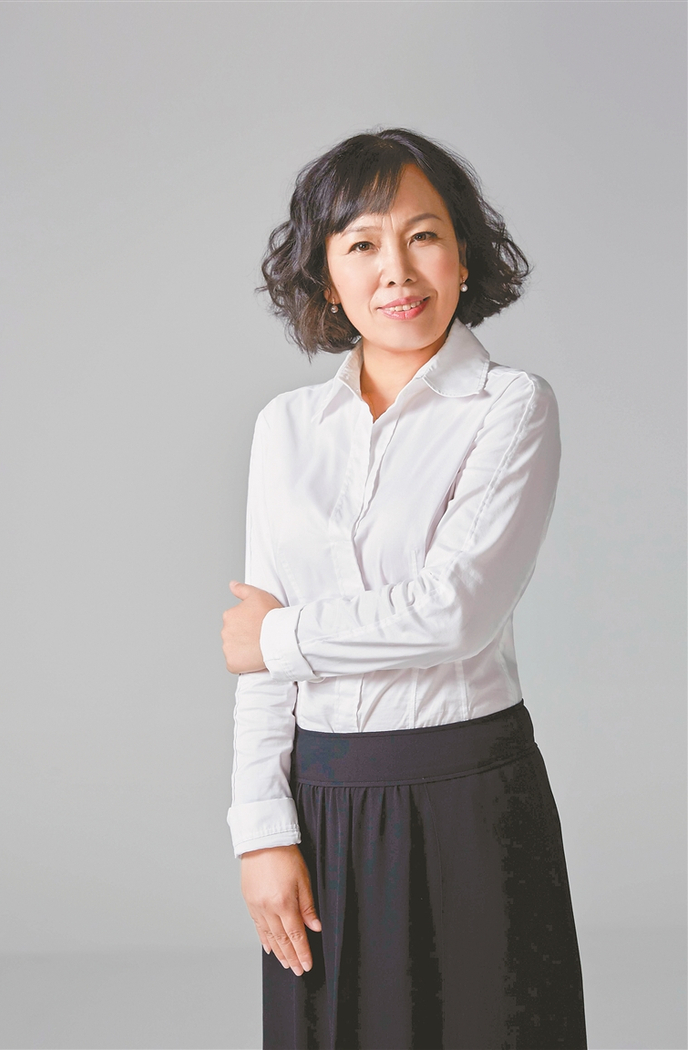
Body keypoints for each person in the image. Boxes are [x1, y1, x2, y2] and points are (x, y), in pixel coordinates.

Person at [221, 127, 587, 1050]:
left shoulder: (511, 407)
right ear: (326, 276)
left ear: (463, 253)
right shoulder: (285, 428)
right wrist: (259, 830)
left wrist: (281, 638)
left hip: (470, 798)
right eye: (361, 244)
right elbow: (260, 670)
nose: (397, 271)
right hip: (320, 802)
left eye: (423, 235)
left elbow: (455, 610)